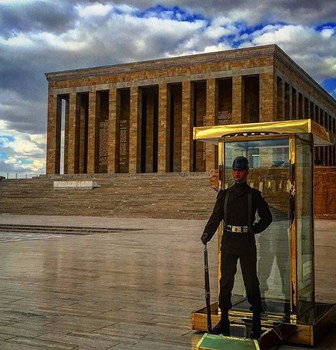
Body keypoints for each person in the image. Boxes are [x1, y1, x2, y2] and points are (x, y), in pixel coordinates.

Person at [201, 156, 272, 339]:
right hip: (230, 243)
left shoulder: (253, 195)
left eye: (240, 170)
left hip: (246, 243)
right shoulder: (224, 195)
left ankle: (256, 320)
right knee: (226, 283)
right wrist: (207, 233)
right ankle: (224, 319)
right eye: (235, 170)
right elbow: (216, 217)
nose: (237, 173)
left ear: (247, 172)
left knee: (251, 282)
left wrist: (253, 230)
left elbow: (267, 217)